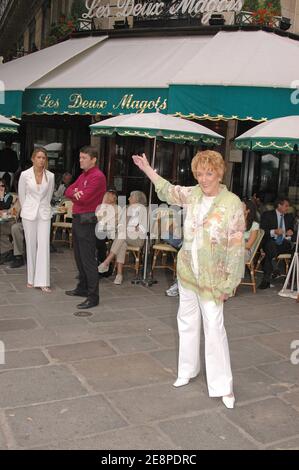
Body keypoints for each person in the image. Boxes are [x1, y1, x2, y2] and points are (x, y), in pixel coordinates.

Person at [132, 150, 245, 409]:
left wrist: (229, 283)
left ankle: (223, 386)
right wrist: (148, 169)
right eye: (199, 173)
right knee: (186, 322)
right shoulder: (193, 195)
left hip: (213, 279)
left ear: (219, 173)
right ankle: (186, 370)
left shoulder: (231, 203)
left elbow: (236, 247)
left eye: (209, 173)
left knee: (215, 329)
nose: (204, 179)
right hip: (187, 273)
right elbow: (167, 190)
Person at [65, 146, 106, 309]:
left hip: (87, 220)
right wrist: (76, 192)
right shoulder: (83, 175)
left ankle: (93, 296)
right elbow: (68, 190)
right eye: (80, 157)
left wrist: (76, 193)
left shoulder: (98, 176)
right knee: (78, 257)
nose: (80, 160)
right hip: (78, 220)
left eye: (84, 158)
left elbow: (85, 198)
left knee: (88, 259)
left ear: (93, 159)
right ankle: (82, 288)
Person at [18, 148, 55, 292]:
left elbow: (49, 195)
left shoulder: (50, 176)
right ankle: (31, 278)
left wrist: (45, 209)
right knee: (31, 245)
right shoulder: (24, 175)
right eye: (39, 157)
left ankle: (43, 281)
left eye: (44, 158)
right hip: (29, 213)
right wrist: (26, 209)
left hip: (44, 213)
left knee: (44, 245)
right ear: (33, 159)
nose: (41, 160)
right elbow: (22, 195)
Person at [98, 191, 147, 285]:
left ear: (136, 199)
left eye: (130, 197)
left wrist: (132, 229)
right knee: (122, 242)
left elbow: (143, 228)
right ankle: (119, 275)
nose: (128, 199)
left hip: (137, 239)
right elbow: (120, 224)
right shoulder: (126, 209)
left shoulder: (144, 210)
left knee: (122, 235)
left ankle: (106, 262)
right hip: (125, 237)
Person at [259, 196, 295, 289]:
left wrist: (290, 232)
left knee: (295, 251)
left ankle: (289, 279)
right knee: (271, 245)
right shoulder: (268, 215)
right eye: (286, 206)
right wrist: (274, 231)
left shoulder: (289, 216)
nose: (288, 208)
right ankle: (271, 271)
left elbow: (292, 230)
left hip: (284, 243)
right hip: (271, 242)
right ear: (279, 205)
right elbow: (262, 231)